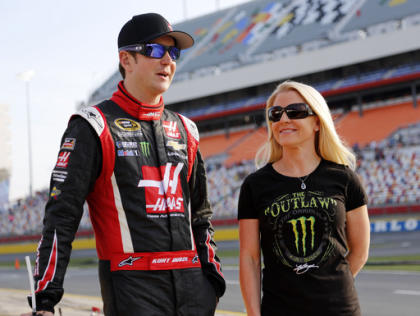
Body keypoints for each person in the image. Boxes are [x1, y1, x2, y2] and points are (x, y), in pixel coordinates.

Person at [22, 13, 225, 316]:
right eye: (155, 50)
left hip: (194, 292)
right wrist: (46, 301)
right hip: (133, 291)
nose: (167, 60)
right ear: (126, 59)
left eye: (173, 52)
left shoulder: (186, 130)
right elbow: (60, 218)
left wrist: (213, 281)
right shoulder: (93, 126)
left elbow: (200, 217)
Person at [238, 80, 370, 316]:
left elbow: (360, 251)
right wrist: (253, 313)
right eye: (276, 114)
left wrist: (331, 288)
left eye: (296, 111)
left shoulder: (345, 179)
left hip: (339, 309)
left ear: (317, 122)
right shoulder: (255, 185)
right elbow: (249, 258)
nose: (284, 120)